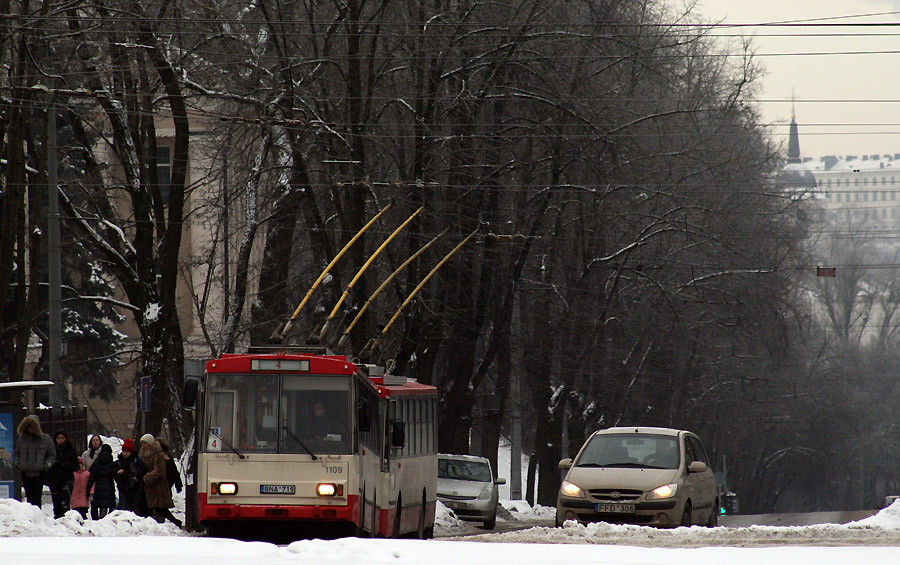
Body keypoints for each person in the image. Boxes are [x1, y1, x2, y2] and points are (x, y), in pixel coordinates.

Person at [138, 433, 181, 527]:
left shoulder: (158, 454)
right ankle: (146, 525)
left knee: (159, 508)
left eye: (145, 443)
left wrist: (146, 477)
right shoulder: (142, 454)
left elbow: (159, 470)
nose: (144, 446)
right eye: (142, 444)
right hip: (146, 486)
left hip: (156, 486)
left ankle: (175, 522)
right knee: (145, 506)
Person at [13, 416, 55, 507]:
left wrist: (46, 465)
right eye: (28, 427)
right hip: (25, 472)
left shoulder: (45, 439)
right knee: (29, 498)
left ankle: (37, 515)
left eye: (32, 427)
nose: (30, 429)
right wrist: (18, 464)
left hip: (39, 472)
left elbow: (51, 455)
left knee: (37, 497)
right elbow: (17, 453)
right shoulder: (22, 439)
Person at [46, 429, 79, 518]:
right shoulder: (51, 451)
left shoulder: (70, 451)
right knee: (56, 503)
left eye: (62, 438)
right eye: (58, 438)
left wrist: (67, 464)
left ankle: (65, 519)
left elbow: (76, 467)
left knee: (65, 503)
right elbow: (47, 465)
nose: (60, 440)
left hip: (66, 480)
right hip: (55, 480)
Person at [114, 438, 145, 513]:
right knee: (124, 509)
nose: (125, 453)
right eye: (124, 451)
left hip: (134, 488)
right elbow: (113, 472)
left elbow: (143, 470)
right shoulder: (119, 461)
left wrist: (137, 477)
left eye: (127, 451)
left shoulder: (136, 460)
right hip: (123, 488)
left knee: (135, 509)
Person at [87, 443, 117, 519]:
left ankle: (97, 521)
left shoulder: (97, 462)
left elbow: (91, 476)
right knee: (105, 507)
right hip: (109, 488)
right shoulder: (111, 463)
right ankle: (104, 519)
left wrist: (87, 489)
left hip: (98, 488)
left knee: (98, 504)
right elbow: (115, 474)